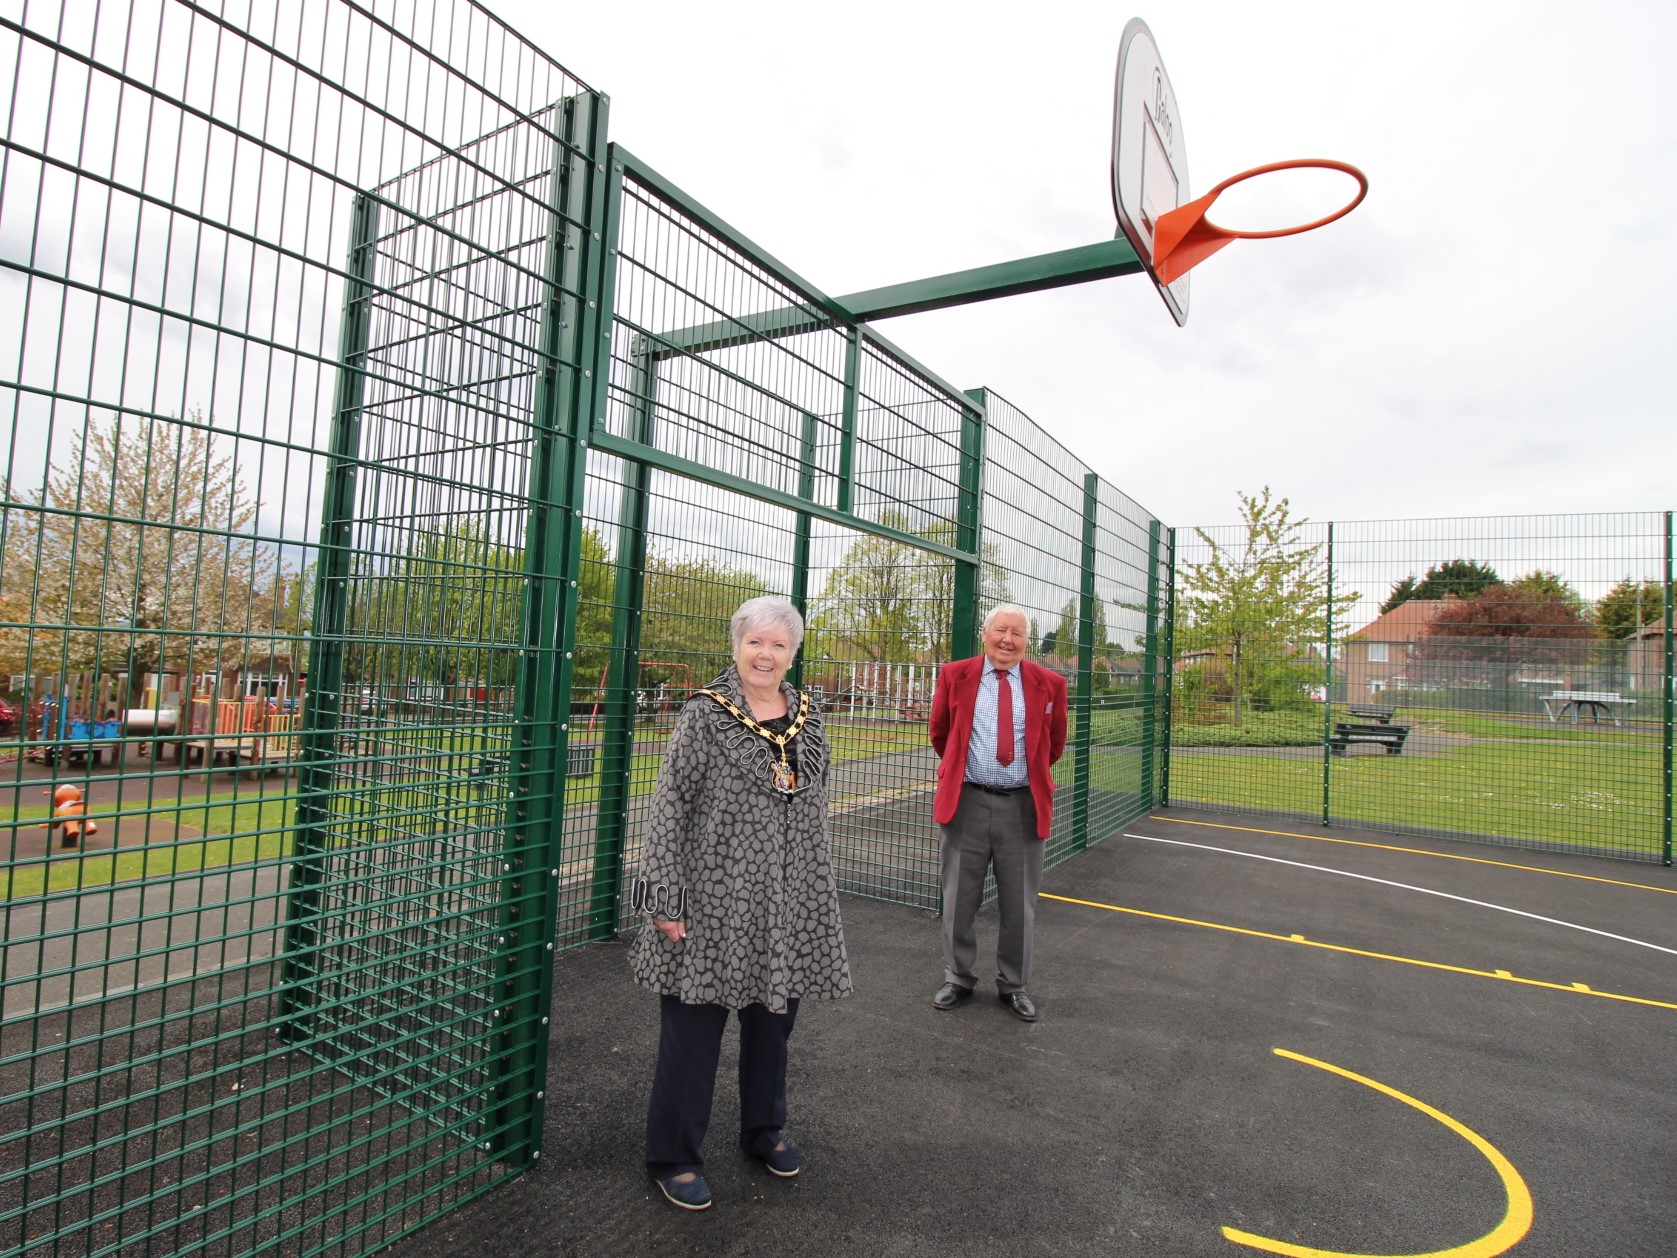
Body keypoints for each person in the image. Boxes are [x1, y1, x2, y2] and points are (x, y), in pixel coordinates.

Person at [629, 596, 852, 1212]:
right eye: (756, 641)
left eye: (779, 645)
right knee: (693, 1031)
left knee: (772, 1025)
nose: (766, 654)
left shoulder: (809, 713)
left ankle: (764, 1130)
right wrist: (665, 900)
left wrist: (809, 892)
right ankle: (673, 1157)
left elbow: (813, 802)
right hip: (710, 902)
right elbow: (669, 807)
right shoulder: (704, 715)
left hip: (788, 904)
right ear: (736, 646)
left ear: (793, 654)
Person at [928, 603, 1067, 1022]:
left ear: (1027, 640)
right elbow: (940, 733)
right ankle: (959, 978)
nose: (1008, 639)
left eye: (1018, 633)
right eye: (1000, 630)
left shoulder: (1050, 684)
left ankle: (1014, 985)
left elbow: (1054, 744)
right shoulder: (955, 676)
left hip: (1023, 807)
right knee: (958, 899)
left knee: (1019, 904)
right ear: (985, 633)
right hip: (967, 802)